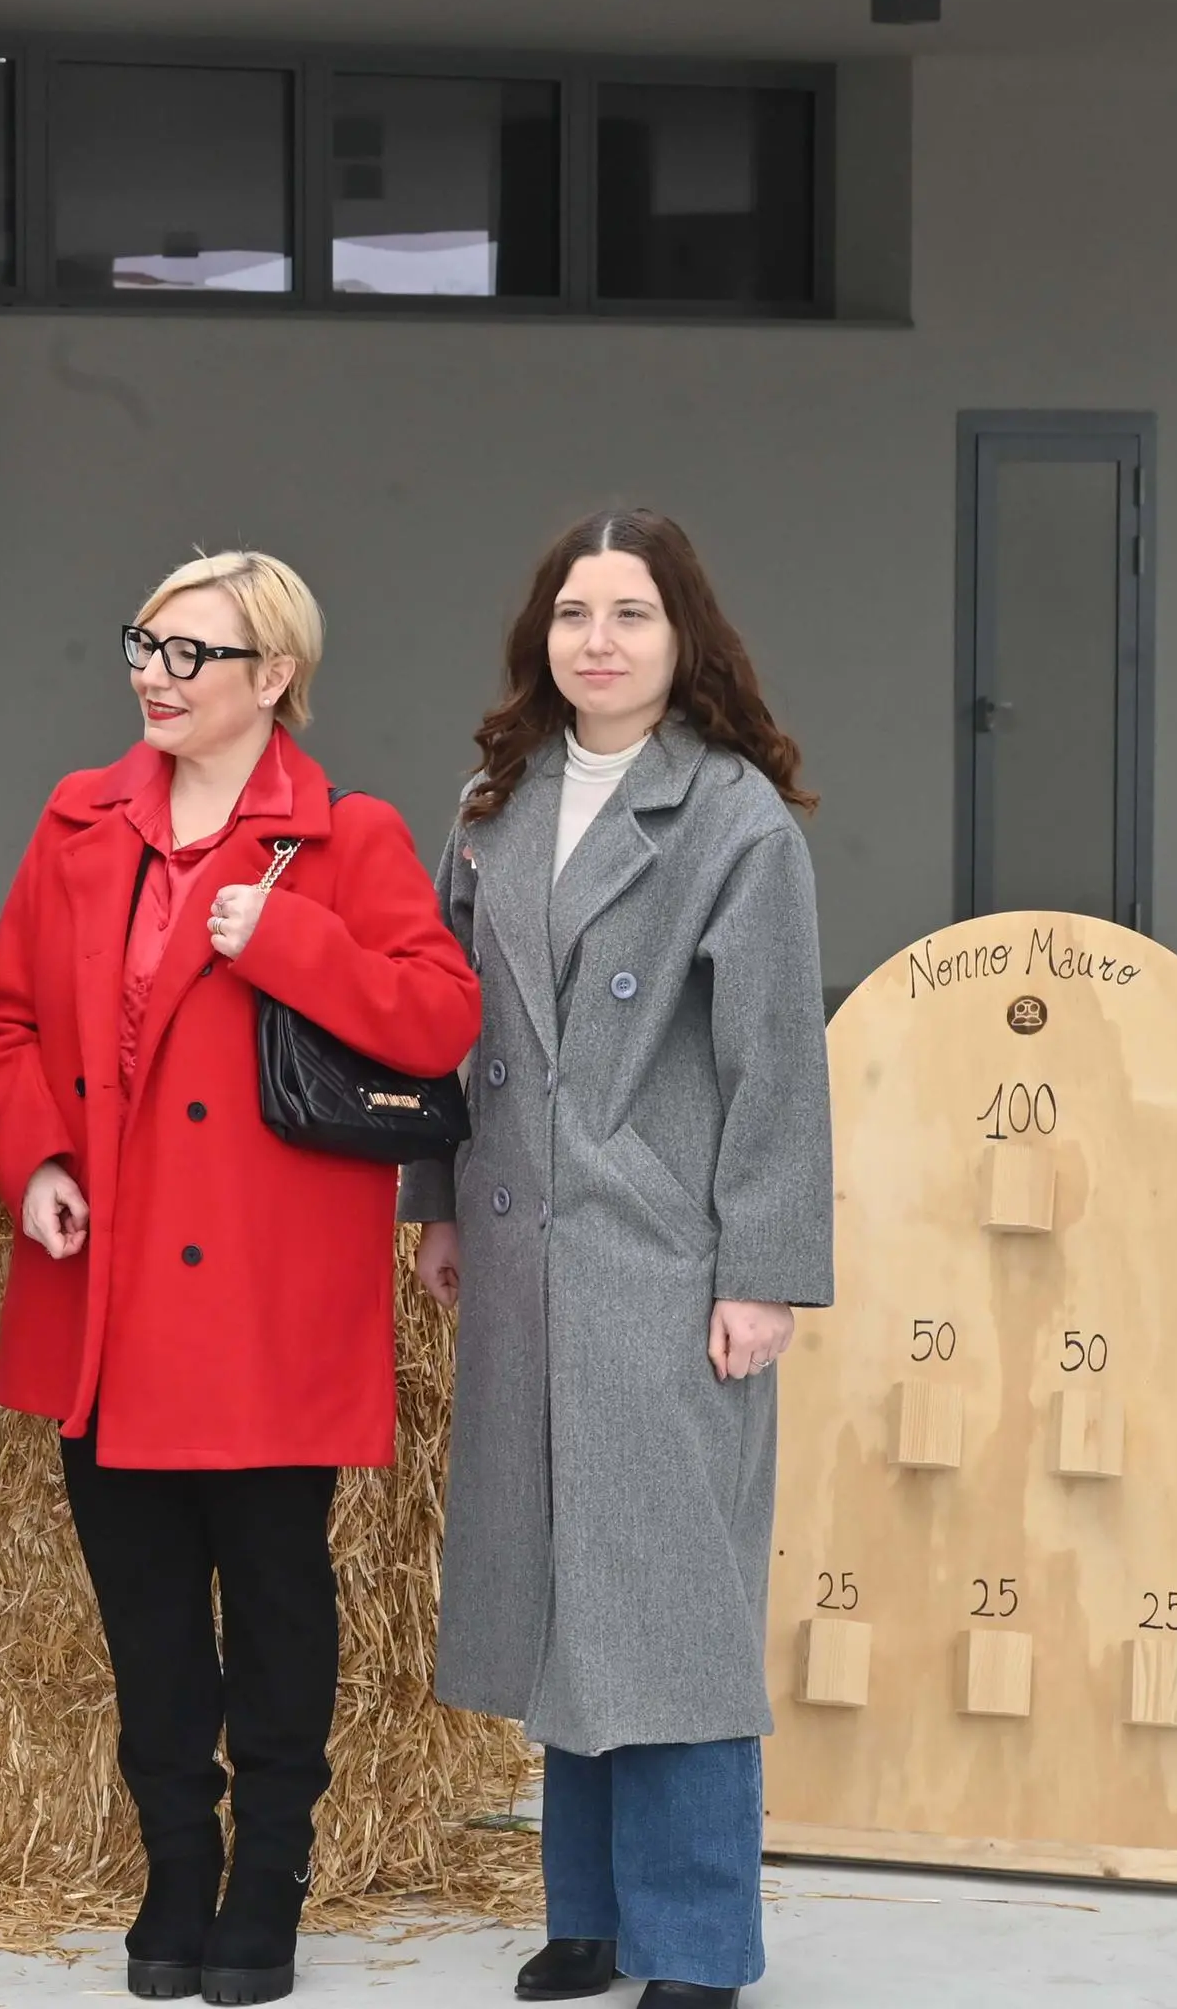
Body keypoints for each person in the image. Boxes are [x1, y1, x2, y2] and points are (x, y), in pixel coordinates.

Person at [0, 551, 480, 2005]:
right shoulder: (79, 821)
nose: (157, 673)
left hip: (264, 1294)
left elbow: (442, 1019)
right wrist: (35, 1163)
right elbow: (3, 1030)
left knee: (270, 1593)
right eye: (147, 641)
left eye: (196, 654)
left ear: (274, 680)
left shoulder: (346, 836)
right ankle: (175, 1870)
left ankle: (270, 1880)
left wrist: (294, 942)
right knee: (140, 1608)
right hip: (105, 1292)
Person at [405, 510, 832, 2009]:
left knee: (667, 1602)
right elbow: (443, 1027)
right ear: (542, 638)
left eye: (630, 613)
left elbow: (775, 1059)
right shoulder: (492, 805)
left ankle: (696, 1945)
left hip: (662, 1252)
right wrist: (436, 1201)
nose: (597, 638)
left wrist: (763, 1269)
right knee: (550, 1581)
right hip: (522, 1243)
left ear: (682, 639)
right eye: (573, 612)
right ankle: (583, 1915)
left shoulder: (731, 819)